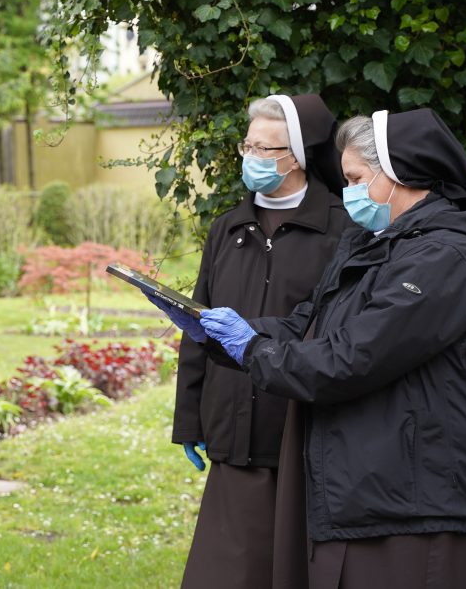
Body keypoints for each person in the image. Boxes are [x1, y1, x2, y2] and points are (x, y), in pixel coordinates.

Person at [158, 108, 466, 588]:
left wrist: (251, 350)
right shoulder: (372, 242)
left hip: (425, 509)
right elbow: (308, 324)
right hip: (375, 495)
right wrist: (218, 336)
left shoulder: (445, 258)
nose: (349, 191)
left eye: (356, 178)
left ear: (399, 174)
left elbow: (350, 358)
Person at [155, 94, 351, 589]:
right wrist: (190, 418)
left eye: (268, 149)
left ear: (299, 156)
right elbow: (198, 327)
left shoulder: (342, 229)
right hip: (231, 432)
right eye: (249, 145)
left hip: (299, 429)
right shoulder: (227, 227)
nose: (253, 158)